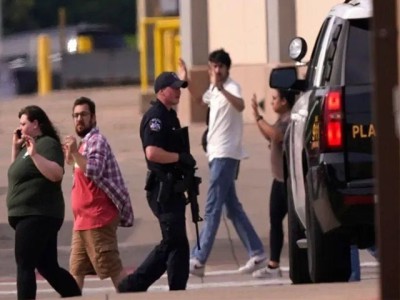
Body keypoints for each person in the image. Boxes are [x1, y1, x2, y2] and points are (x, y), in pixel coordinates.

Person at [179, 49, 267, 277]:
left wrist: (221, 89)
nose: (216, 71)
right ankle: (257, 253)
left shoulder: (231, 87)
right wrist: (186, 82)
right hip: (216, 154)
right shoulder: (213, 90)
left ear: (227, 68)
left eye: (220, 67)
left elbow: (240, 105)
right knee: (232, 208)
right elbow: (201, 100)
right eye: (213, 67)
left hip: (226, 154)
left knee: (212, 207)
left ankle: (198, 259)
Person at [118, 71, 195, 293]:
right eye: (174, 87)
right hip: (162, 188)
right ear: (162, 91)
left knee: (179, 242)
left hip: (174, 186)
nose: (178, 91)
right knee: (172, 240)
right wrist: (179, 158)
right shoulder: (156, 118)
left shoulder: (171, 116)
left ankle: (177, 288)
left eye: (180, 87)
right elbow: (152, 152)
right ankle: (134, 284)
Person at [7, 105, 82, 300]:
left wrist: (34, 155)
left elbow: (56, 173)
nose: (20, 127)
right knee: (48, 266)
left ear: (35, 124)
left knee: (24, 265)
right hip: (32, 214)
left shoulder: (46, 144)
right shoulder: (29, 145)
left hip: (37, 214)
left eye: (23, 123)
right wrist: (16, 149)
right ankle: (74, 295)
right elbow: (18, 174)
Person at [63, 96, 134, 291]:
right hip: (82, 221)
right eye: (76, 115)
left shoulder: (97, 140)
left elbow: (94, 169)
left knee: (114, 271)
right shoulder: (85, 143)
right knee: (75, 273)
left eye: (84, 115)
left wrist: (76, 153)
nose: (79, 119)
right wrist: (71, 157)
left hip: (97, 219)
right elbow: (82, 171)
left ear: (93, 118)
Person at [250, 89, 294, 278]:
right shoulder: (281, 118)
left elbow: (276, 135)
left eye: (275, 99)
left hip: (289, 182)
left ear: (284, 101)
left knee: (296, 224)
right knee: (275, 221)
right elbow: (270, 136)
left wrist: (259, 118)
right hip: (279, 179)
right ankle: (273, 266)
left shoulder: (289, 119)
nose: (272, 102)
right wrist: (257, 119)